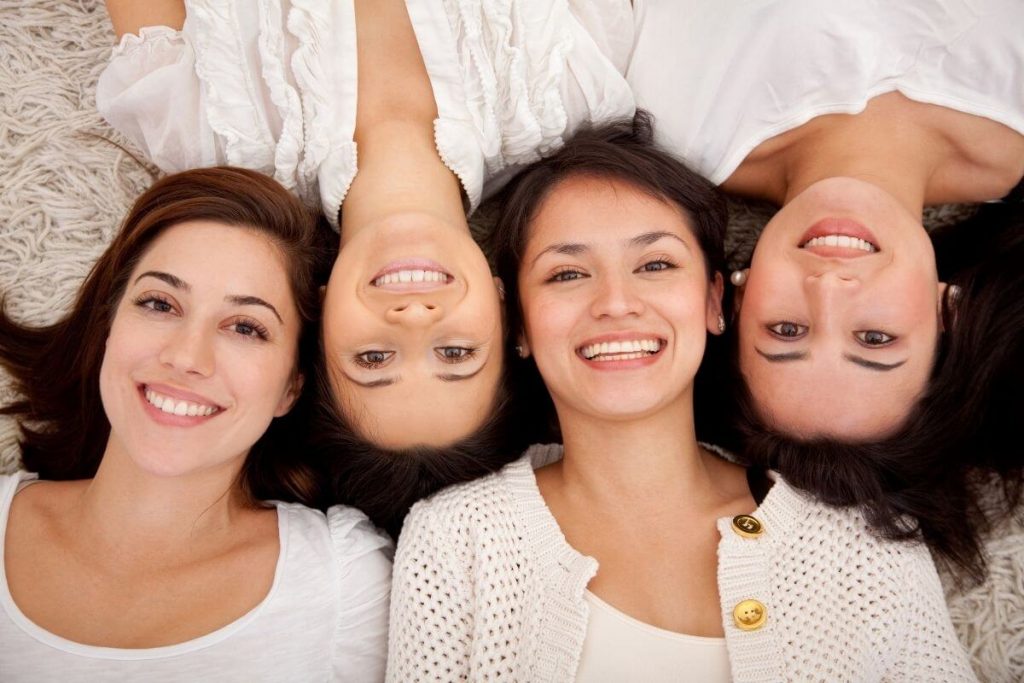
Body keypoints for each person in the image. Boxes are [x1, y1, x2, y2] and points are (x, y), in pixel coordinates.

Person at [387, 116, 976, 681]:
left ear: (715, 302)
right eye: (567, 274)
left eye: (656, 263)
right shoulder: (453, 539)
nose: (616, 302)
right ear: (517, 325)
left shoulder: (863, 548)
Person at [95, 0, 634, 464]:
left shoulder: (203, 136)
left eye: (373, 359)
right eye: (457, 354)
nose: (414, 319)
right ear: (505, 305)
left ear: (318, 323)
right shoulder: (576, 90)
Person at [0, 168, 391, 679]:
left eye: (246, 327)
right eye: (160, 304)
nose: (187, 356)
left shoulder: (345, 585)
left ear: (291, 386)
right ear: (108, 329)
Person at [625, 0, 1024, 442]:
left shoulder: (668, 114)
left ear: (735, 301)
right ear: (947, 311)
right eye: (874, 337)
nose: (828, 286)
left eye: (787, 329)